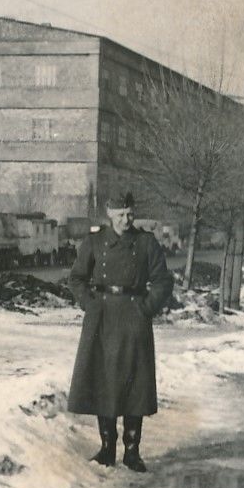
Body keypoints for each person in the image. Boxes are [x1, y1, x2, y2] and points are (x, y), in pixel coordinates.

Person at [67, 190, 174, 473]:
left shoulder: (146, 243)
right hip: (102, 319)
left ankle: (132, 451)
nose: (127, 220)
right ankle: (106, 448)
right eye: (121, 215)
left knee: (134, 384)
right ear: (110, 215)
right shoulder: (94, 242)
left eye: (130, 214)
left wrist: (145, 308)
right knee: (105, 382)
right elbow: (76, 278)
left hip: (133, 319)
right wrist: (90, 304)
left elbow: (163, 281)